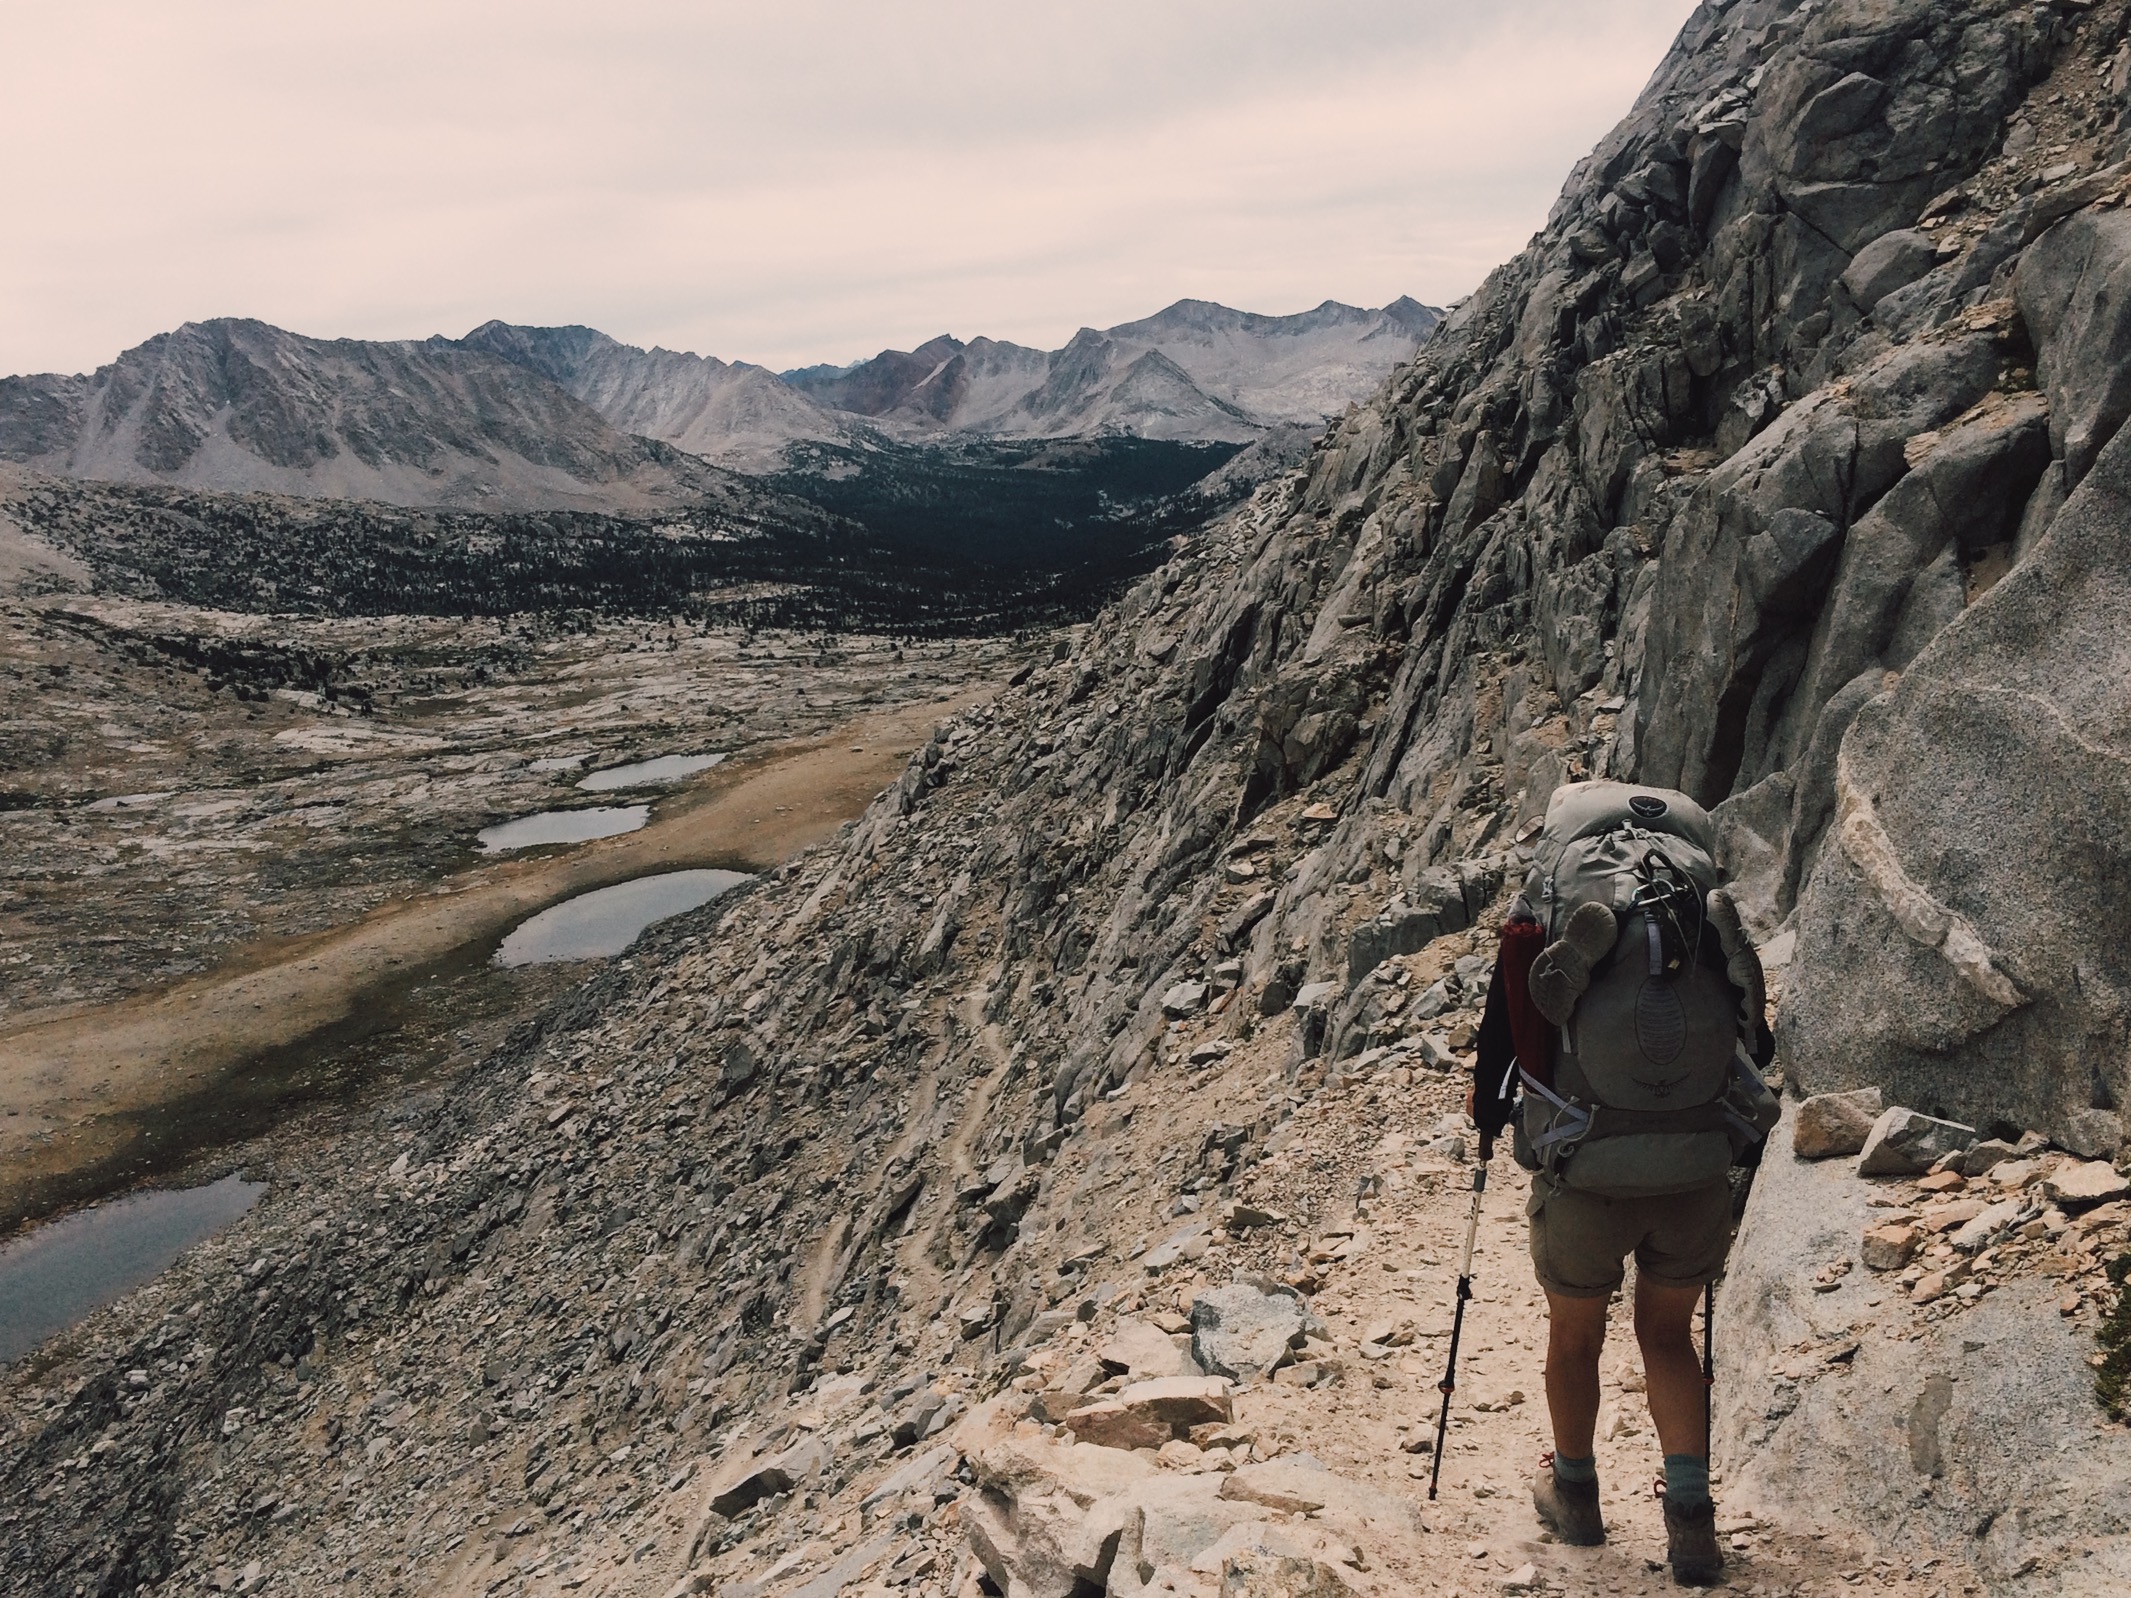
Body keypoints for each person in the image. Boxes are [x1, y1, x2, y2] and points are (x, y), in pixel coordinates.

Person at [1465, 895, 1771, 1588]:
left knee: (1575, 1337)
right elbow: (1759, 1046)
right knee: (1667, 1335)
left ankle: (1574, 1493)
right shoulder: (1697, 922)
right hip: (1691, 1169)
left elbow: (1502, 1043)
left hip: (1587, 1168)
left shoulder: (1534, 917)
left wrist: (1489, 1118)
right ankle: (1690, 1514)